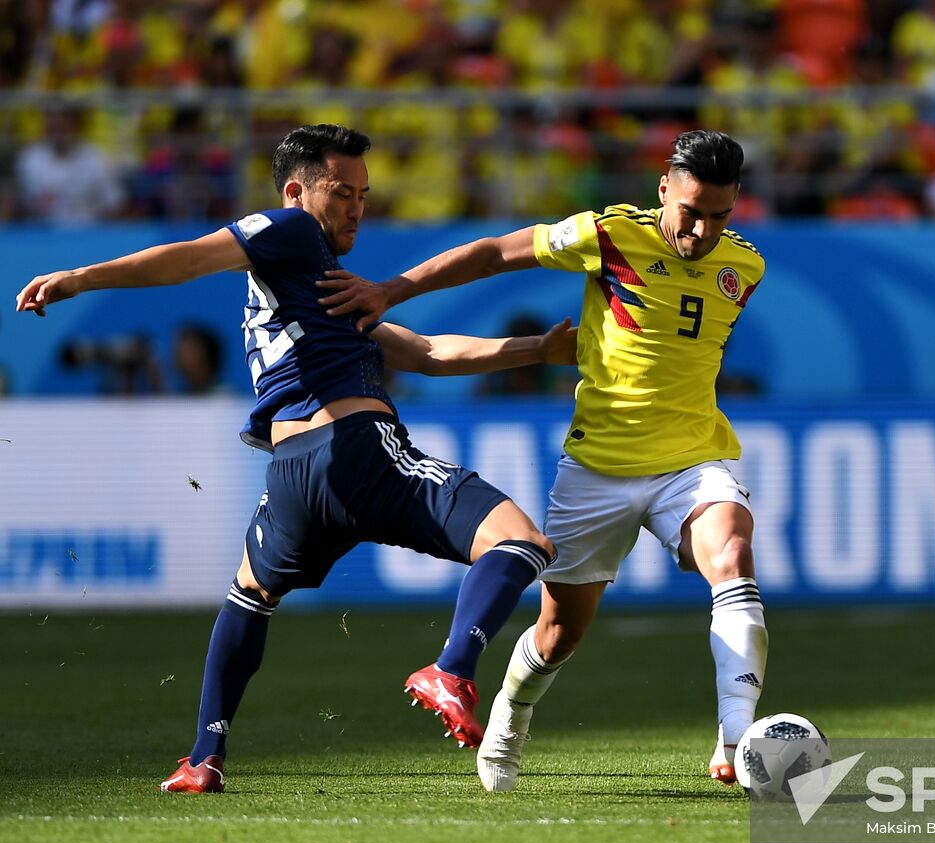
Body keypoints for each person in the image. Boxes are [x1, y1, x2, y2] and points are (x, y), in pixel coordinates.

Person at [16, 124, 576, 793]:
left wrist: (535, 349)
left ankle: (203, 756)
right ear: (296, 191)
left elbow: (426, 352)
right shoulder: (288, 231)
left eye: (365, 194)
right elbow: (189, 257)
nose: (357, 208)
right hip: (359, 449)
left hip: (292, 478)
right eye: (342, 192)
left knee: (249, 595)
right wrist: (82, 277)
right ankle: (452, 668)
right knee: (520, 542)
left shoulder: (317, 289)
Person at [317, 130, 768, 792]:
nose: (701, 231)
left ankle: (735, 738)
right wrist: (390, 291)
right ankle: (511, 711)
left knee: (731, 555)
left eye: (719, 217)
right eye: (692, 211)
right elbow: (495, 254)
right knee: (559, 634)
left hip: (692, 459)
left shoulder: (745, 267)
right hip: (599, 469)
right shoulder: (609, 236)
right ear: (663, 188)